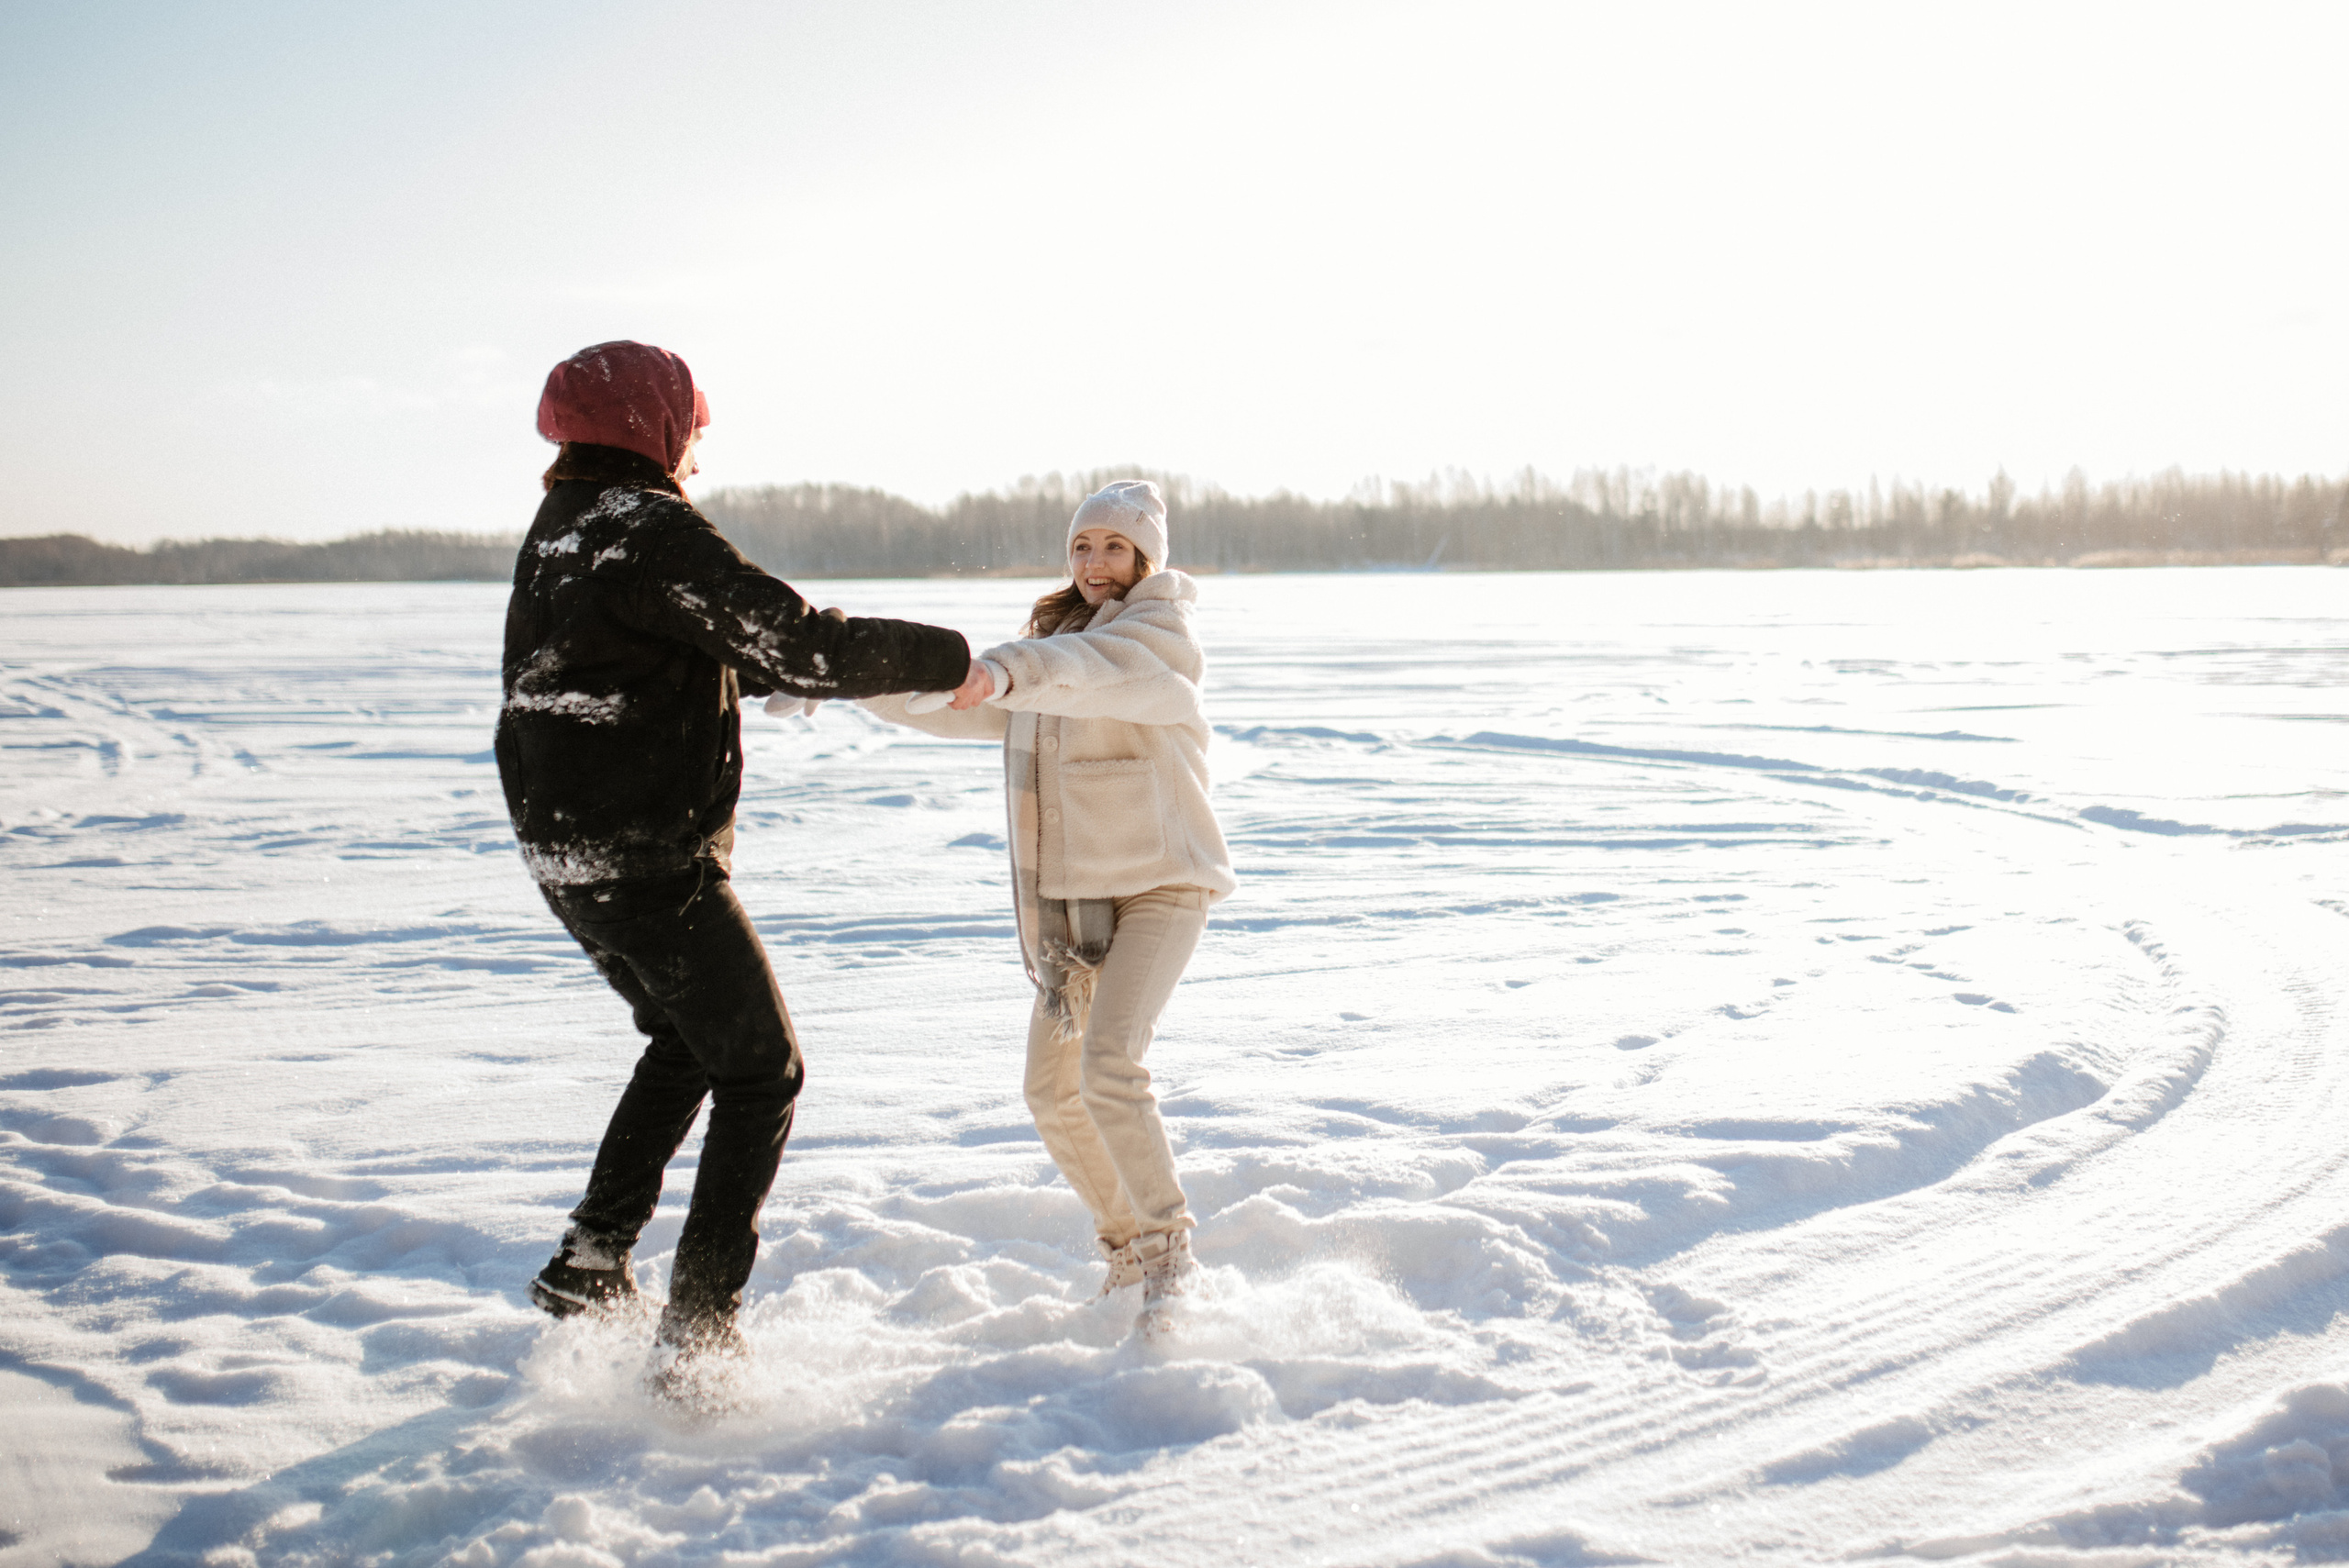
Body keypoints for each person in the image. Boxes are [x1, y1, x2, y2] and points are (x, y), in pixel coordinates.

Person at [496, 340, 984, 1365]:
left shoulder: (562, 531)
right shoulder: (652, 531)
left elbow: (637, 653)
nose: (699, 446)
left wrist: (736, 676)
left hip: (568, 853)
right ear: (649, 425)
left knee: (687, 1042)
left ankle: (592, 1257)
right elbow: (800, 641)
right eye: (693, 425)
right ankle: (701, 1329)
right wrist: (953, 658)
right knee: (763, 1070)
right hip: (647, 854)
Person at [858, 480, 1235, 1335]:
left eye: (1112, 547)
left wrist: (1006, 669)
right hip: (1080, 909)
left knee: (1109, 1069)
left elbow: (1088, 678)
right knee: (1050, 1092)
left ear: (1145, 558)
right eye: (1081, 547)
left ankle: (1172, 1257)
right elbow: (979, 706)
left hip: (1164, 883)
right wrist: (858, 684)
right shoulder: (1054, 645)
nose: (1094, 563)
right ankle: (1127, 1251)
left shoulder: (1159, 640)